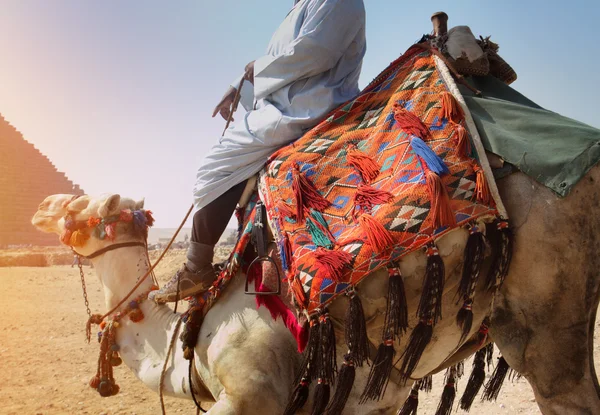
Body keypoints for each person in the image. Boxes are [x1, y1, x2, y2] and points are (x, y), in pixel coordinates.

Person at [151, 0, 366, 303]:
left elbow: (316, 53)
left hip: (308, 105)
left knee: (215, 166)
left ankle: (196, 267)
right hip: (289, 102)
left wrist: (257, 69)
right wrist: (238, 84)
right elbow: (285, 57)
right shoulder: (304, 5)